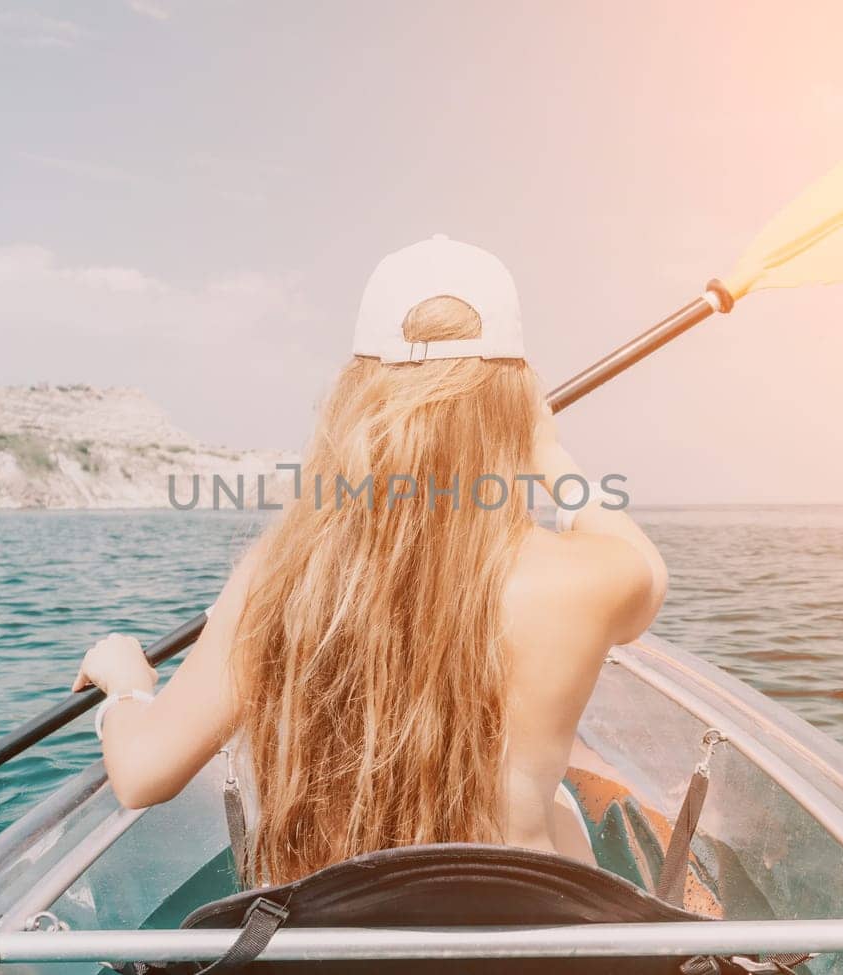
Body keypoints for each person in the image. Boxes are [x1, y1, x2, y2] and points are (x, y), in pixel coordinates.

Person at [73, 236, 667, 886]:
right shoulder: (584, 580)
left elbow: (140, 775)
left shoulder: (278, 578)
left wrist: (127, 686)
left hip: (344, 941)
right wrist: (549, 450)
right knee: (558, 810)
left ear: (357, 394)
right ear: (512, 400)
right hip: (514, 940)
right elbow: (642, 564)